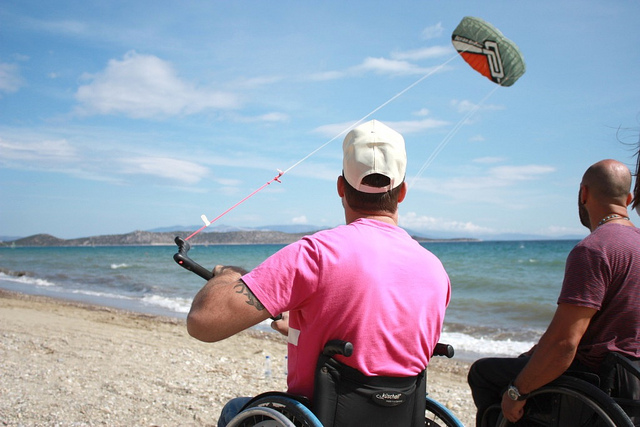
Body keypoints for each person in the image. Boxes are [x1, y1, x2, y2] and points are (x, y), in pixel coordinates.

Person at [186, 119, 451, 426]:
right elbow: (385, 345)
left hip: (318, 418)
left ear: (341, 186)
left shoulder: (316, 254)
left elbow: (203, 323)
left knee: (236, 409)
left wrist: (228, 275)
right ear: (403, 191)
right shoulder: (435, 271)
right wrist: (306, 329)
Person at [467, 159, 640, 426]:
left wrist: (517, 391)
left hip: (592, 385)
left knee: (483, 373)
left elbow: (564, 344)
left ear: (583, 193)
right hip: (632, 385)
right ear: (628, 199)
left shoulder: (594, 249)